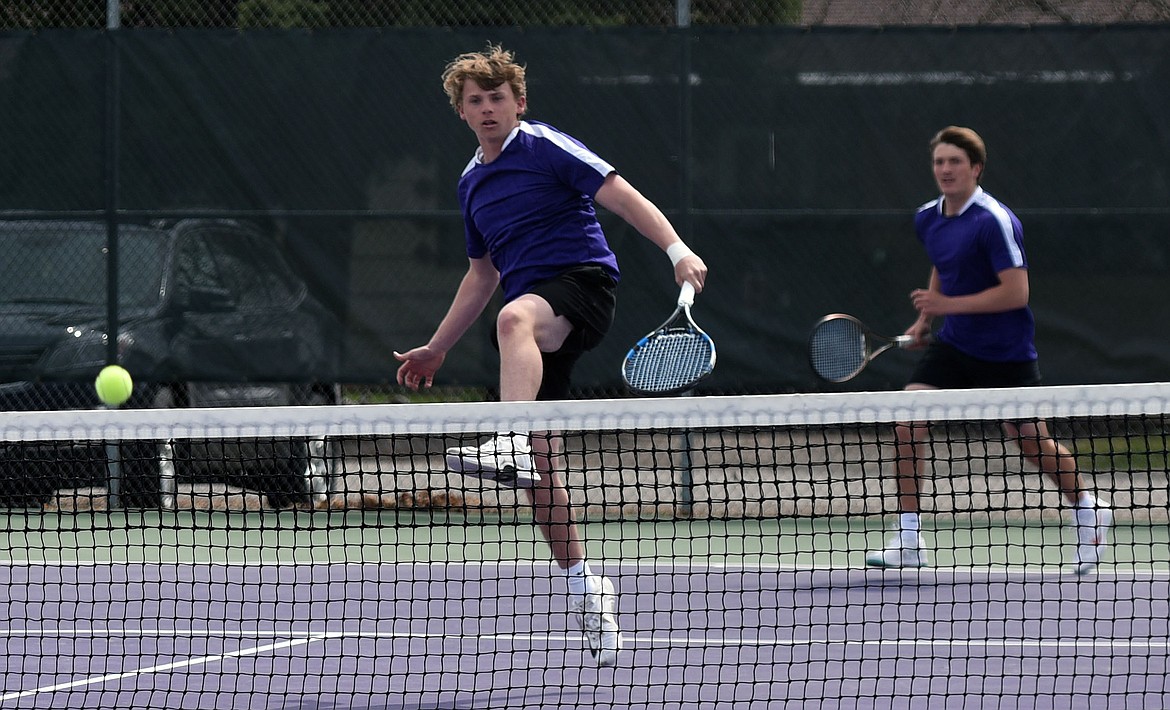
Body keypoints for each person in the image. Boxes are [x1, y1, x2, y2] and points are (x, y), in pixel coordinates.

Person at [393, 44, 707, 666]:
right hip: (533, 327)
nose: (487, 109)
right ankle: (585, 587)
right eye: (474, 101)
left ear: (519, 103)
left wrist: (676, 250)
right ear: (460, 111)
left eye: (497, 98)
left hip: (582, 286)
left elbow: (621, 195)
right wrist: (437, 347)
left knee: (514, 318)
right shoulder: (470, 183)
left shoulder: (545, 146)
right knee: (542, 470)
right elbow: (481, 275)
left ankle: (508, 437)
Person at [864, 125, 1112, 576]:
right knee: (907, 423)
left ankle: (1088, 510)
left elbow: (1016, 293)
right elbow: (944, 264)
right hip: (955, 346)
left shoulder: (994, 220)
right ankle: (908, 537)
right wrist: (926, 320)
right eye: (939, 162)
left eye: (955, 162)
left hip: (1005, 352)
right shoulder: (928, 217)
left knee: (1030, 440)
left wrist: (945, 305)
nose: (945, 169)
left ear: (975, 168)